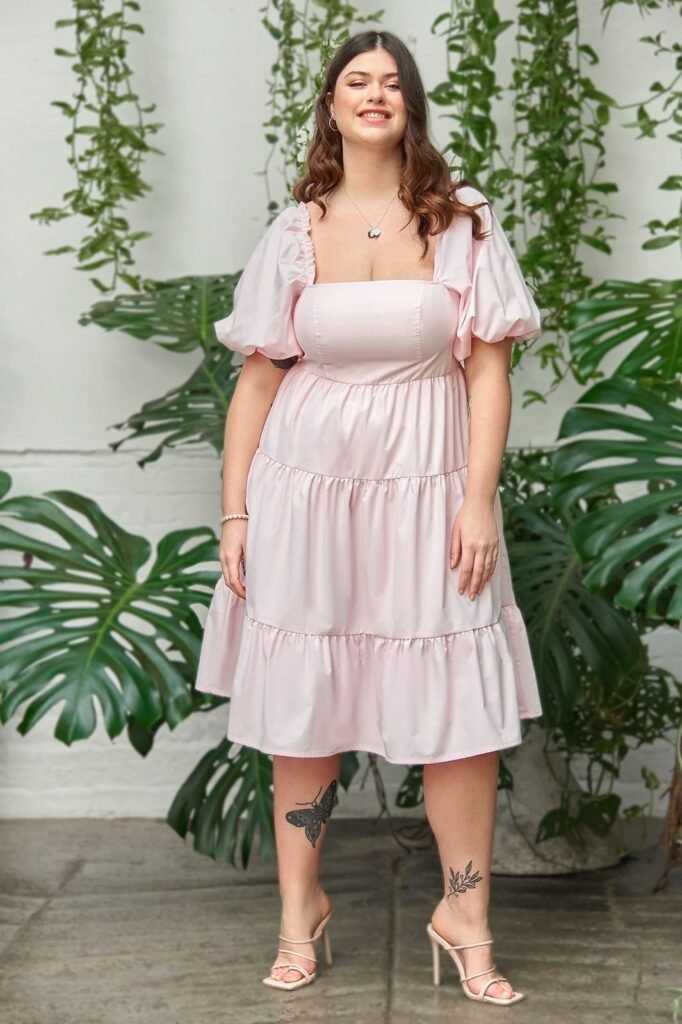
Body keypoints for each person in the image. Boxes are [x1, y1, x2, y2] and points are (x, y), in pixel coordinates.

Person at [195, 28, 543, 1005]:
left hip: (430, 486)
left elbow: (486, 367)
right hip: (304, 490)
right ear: (333, 105)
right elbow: (258, 381)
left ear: (411, 105)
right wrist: (234, 512)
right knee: (304, 707)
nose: (375, 93)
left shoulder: (460, 218)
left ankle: (464, 914)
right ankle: (298, 912)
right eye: (358, 80)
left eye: (392, 82)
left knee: (459, 719)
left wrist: (478, 499)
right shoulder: (295, 229)